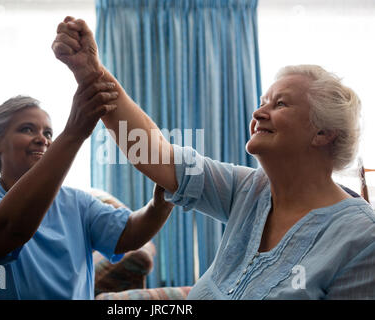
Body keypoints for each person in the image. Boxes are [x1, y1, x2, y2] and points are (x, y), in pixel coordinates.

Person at [52, 17, 375, 299]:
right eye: (263, 102)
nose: (258, 112)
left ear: (323, 133)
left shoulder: (361, 238)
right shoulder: (248, 189)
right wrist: (89, 71)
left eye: (280, 104)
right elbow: (153, 153)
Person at [0, 72, 174, 300]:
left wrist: (159, 204)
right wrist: (73, 134)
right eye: (27, 129)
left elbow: (128, 232)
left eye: (48, 133)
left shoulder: (78, 202)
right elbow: (6, 232)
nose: (42, 139)